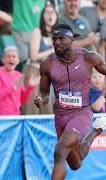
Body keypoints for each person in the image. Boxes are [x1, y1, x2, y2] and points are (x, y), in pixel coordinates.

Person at [34, 24, 106, 180]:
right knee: (75, 163)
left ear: (72, 40)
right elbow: (44, 93)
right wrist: (41, 99)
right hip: (60, 116)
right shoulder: (47, 65)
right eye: (54, 39)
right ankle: (96, 131)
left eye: (61, 38)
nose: (57, 43)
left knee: (60, 150)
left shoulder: (89, 57)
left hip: (81, 114)